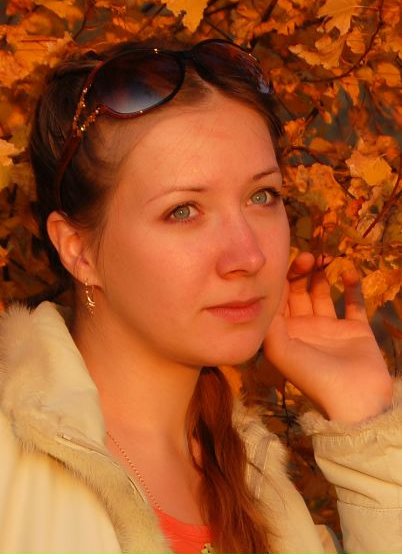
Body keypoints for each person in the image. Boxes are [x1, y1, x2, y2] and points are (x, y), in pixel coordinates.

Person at [0, 37, 400, 554]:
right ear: (79, 250)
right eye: (183, 211)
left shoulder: (263, 489)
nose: (248, 256)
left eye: (262, 196)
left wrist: (366, 428)